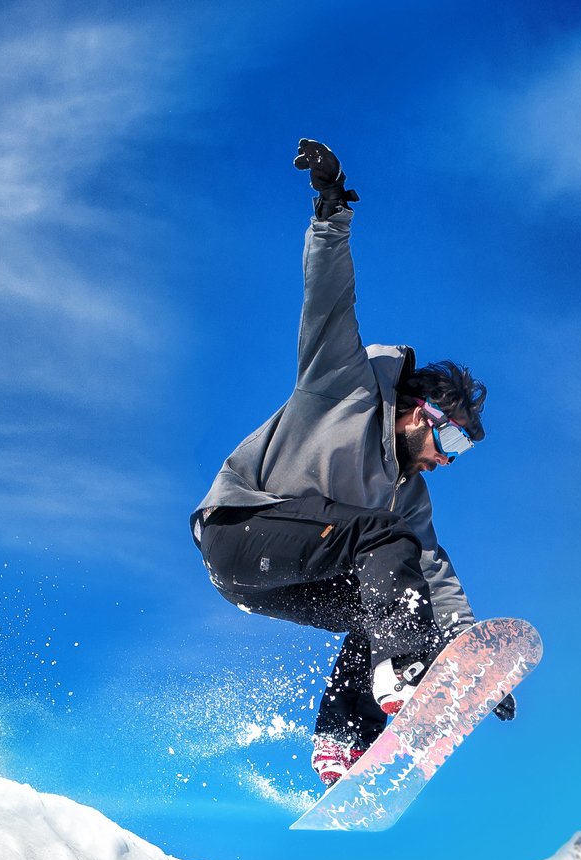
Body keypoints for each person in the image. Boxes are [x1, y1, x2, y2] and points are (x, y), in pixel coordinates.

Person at [192, 139, 512, 786]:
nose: (446, 463)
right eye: (447, 445)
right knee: (386, 556)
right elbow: (328, 301)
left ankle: (342, 740)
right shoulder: (343, 384)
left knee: (391, 595)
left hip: (274, 578)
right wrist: (331, 209)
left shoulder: (406, 496)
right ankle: (401, 668)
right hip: (238, 531)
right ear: (418, 412)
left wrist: (466, 660)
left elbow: (430, 572)